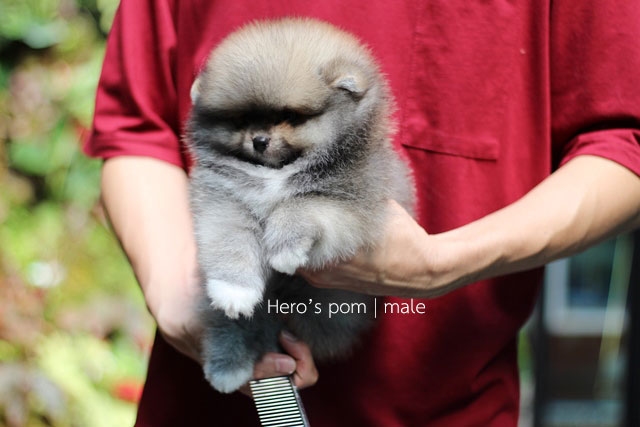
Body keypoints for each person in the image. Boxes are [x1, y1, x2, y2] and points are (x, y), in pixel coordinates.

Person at [86, 0, 640, 425]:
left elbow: (623, 143)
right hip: (203, 403)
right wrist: (180, 299)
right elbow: (135, 127)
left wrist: (444, 262)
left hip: (442, 402)